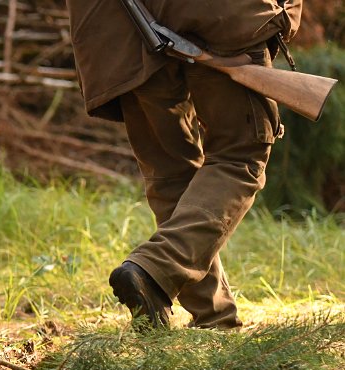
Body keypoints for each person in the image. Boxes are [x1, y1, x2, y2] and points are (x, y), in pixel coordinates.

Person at [66, 0, 303, 328]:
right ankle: (155, 268)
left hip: (116, 28)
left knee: (169, 172)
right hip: (220, 15)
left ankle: (214, 317)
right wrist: (283, 15)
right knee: (240, 156)